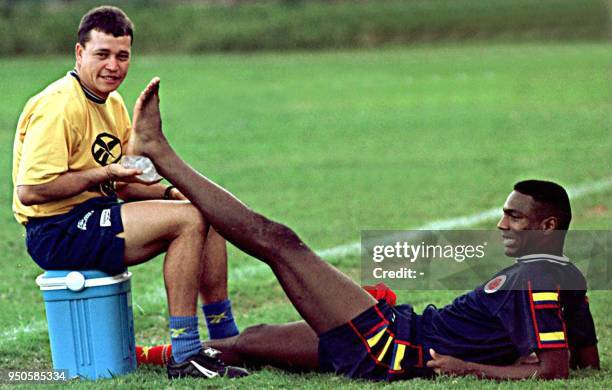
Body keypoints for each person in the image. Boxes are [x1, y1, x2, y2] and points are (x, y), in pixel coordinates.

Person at [128, 77, 599, 381]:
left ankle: (161, 153)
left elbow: (552, 370)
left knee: (278, 242)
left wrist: (465, 367)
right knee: (254, 340)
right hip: (396, 328)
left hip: (388, 344)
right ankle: (141, 357)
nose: (501, 224)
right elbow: (585, 360)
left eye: (514, 216)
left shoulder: (539, 276)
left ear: (549, 225)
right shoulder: (565, 274)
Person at [11, 6, 246, 379]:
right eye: (102, 54)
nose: (113, 66)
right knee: (188, 221)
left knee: (203, 208)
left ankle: (226, 338)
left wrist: (172, 192)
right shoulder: (58, 105)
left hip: (94, 217)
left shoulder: (114, 103)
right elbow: (31, 190)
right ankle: (185, 354)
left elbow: (124, 181)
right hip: (56, 231)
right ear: (79, 53)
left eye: (122, 56)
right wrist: (102, 173)